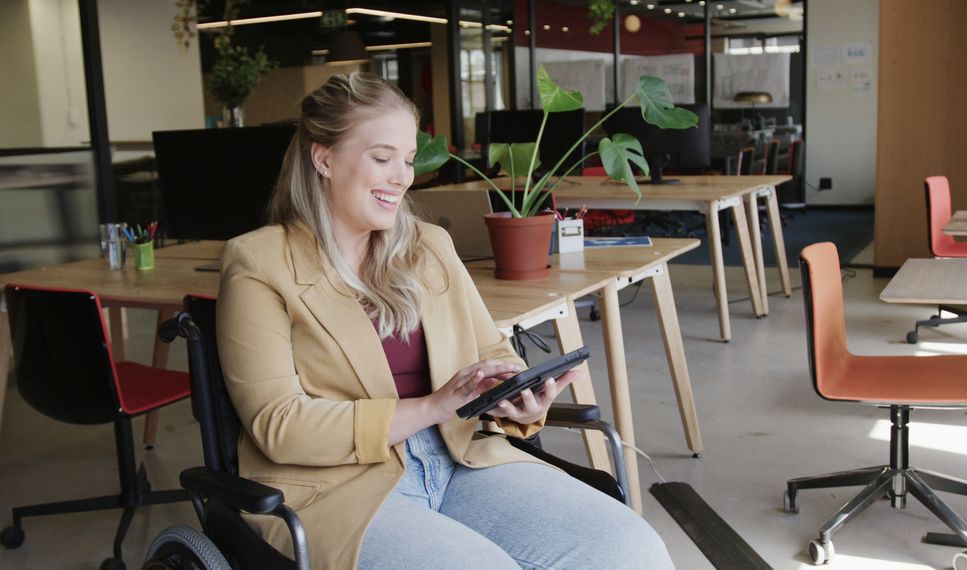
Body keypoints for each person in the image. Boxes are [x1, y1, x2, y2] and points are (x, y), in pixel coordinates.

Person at [217, 71, 674, 570]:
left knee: (632, 550)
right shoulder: (259, 263)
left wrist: (514, 399)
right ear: (324, 159)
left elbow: (489, 351)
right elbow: (278, 425)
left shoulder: (428, 245)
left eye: (408, 160)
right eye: (382, 157)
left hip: (460, 459)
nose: (402, 176)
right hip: (338, 489)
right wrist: (434, 406)